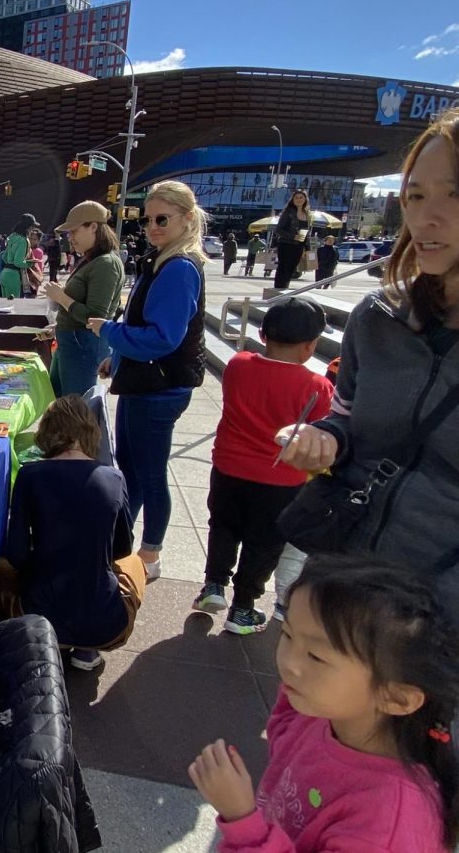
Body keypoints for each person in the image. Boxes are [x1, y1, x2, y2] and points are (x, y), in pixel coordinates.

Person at [277, 110, 459, 602]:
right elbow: (347, 419)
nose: (427, 217)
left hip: (432, 639)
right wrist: (323, 438)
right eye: (416, 196)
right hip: (342, 588)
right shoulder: (377, 317)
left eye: (454, 193)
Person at [189, 558, 459, 853]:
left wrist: (243, 821)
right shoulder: (321, 715)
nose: (288, 663)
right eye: (288, 635)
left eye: (316, 656)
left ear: (397, 698)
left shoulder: (388, 823)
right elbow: (283, 732)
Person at [192, 299, 334, 634]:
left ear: (261, 333)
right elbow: (320, 432)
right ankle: (243, 607)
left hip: (228, 469)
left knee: (223, 526)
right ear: (311, 345)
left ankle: (213, 585)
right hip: (281, 480)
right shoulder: (318, 387)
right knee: (264, 543)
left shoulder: (238, 366)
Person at [90, 180, 207, 582]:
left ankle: (149, 554)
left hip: (158, 390)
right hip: (147, 385)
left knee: (150, 475)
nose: (152, 226)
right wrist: (117, 357)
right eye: (147, 219)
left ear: (187, 219)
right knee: (133, 470)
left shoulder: (178, 268)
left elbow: (161, 338)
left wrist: (109, 333)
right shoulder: (165, 260)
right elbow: (148, 328)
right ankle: (124, 544)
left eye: (162, 218)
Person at [0, 396, 143, 671]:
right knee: (134, 563)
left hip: (39, 614)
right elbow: (122, 549)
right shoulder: (114, 478)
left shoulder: (31, 475)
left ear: (47, 432)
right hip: (105, 622)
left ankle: (49, 644)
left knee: (0, 569)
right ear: (90, 432)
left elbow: (15, 554)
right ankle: (86, 651)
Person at [39, 201, 125, 399]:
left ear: (93, 227)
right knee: (62, 404)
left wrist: (61, 297)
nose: (70, 238)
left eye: (74, 231)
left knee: (74, 409)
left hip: (83, 346)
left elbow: (96, 317)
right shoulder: (94, 260)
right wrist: (59, 326)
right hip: (72, 341)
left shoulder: (106, 263)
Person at [273, 190, 311, 289]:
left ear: (305, 199)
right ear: (293, 200)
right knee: (283, 269)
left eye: (301, 197)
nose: (298, 200)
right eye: (296, 198)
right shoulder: (288, 212)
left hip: (298, 246)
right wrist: (293, 236)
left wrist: (307, 248)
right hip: (286, 244)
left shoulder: (306, 214)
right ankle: (278, 289)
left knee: (292, 269)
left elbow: (307, 232)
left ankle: (284, 288)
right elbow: (278, 230)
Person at [0, 214, 39, 300]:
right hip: (13, 276)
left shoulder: (12, 237)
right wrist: (31, 263)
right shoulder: (23, 240)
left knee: (5, 305)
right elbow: (18, 262)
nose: (32, 229)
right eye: (32, 227)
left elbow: (4, 257)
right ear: (27, 227)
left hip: (4, 274)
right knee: (13, 306)